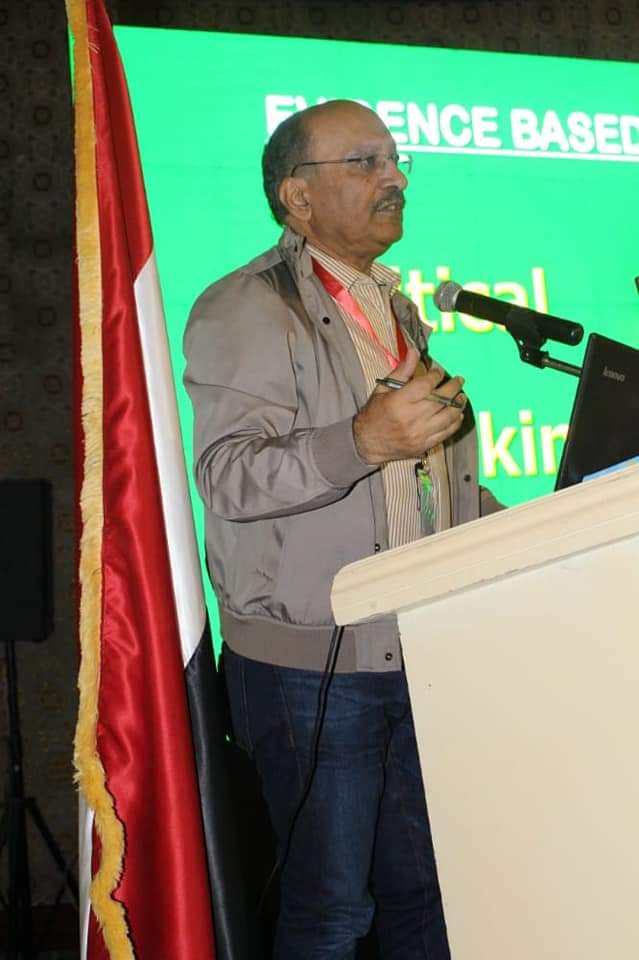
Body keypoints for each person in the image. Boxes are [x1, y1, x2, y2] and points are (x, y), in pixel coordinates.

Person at [184, 99, 501, 960]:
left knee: (424, 895)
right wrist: (358, 441)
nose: (393, 177)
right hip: (309, 667)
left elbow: (419, 484)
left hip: (417, 646)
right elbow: (227, 477)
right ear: (296, 196)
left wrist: (535, 524)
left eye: (395, 161)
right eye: (364, 162)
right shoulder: (248, 307)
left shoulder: (393, 308)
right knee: (329, 913)